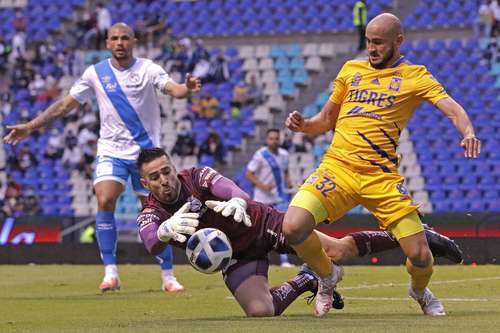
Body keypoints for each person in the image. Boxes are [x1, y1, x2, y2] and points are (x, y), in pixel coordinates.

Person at [283, 13, 481, 317]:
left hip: (381, 179)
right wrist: (302, 125)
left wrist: (467, 131)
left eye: (378, 42)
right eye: (368, 42)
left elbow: (452, 109)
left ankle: (418, 290)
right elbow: (324, 121)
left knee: (421, 256)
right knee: (293, 226)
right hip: (337, 169)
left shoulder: (415, 76)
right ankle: (327, 276)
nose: (371, 48)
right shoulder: (351, 70)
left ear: (398, 42)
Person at [135, 147, 463, 317]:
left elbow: (234, 190)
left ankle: (414, 234)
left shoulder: (197, 177)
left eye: (167, 171)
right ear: (145, 183)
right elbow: (150, 241)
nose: (164, 180)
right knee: (260, 312)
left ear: (174, 168)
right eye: (156, 177)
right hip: (236, 256)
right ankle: (308, 278)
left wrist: (237, 201)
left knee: (337, 252)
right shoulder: (152, 211)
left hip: (264, 225)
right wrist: (163, 232)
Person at [4, 23, 202, 293]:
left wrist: (187, 89)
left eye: (124, 38)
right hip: (112, 150)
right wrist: (31, 126)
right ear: (107, 43)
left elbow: (173, 90)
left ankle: (168, 275)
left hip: (148, 155)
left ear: (133, 41)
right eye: (114, 38)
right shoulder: (96, 73)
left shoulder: (148, 69)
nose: (120, 42)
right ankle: (111, 273)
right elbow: (64, 105)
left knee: (155, 210)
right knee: (105, 198)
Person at [246, 128, 294, 267]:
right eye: (271, 138)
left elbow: (285, 172)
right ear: (267, 140)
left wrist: (289, 182)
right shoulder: (260, 155)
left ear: (280, 139)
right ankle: (257, 258)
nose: (274, 141)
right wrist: (262, 186)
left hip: (279, 197)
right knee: (258, 230)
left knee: (283, 228)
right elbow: (249, 174)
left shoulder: (285, 155)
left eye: (276, 138)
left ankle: (285, 261)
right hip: (262, 198)